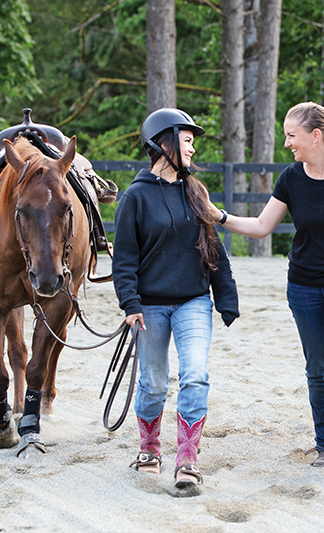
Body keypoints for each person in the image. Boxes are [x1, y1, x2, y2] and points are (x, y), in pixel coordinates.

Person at [207, 102, 324, 482]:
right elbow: (262, 226)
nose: (287, 143)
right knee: (319, 370)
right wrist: (219, 217)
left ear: (316, 136)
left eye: (291, 135)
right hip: (304, 286)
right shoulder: (291, 178)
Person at [112, 108, 239, 489]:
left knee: (195, 375)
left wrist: (226, 295)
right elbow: (124, 258)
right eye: (186, 140)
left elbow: (212, 247)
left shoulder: (195, 191)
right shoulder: (135, 197)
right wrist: (130, 304)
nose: (193, 148)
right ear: (163, 143)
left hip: (193, 301)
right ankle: (149, 449)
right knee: (152, 383)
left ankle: (187, 458)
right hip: (148, 306)